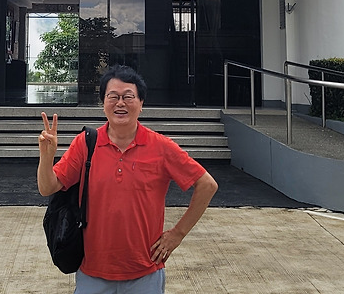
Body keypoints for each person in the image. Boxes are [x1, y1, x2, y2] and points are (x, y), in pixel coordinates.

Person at [37, 65, 219, 293]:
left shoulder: (161, 147)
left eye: (128, 97)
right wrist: (47, 157)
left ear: (141, 103)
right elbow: (47, 187)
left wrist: (178, 234)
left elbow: (207, 185)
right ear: (103, 103)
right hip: (92, 271)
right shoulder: (86, 143)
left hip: (145, 272)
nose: (120, 103)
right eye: (112, 96)